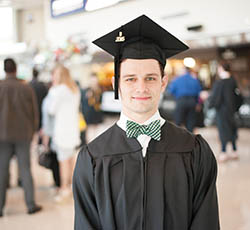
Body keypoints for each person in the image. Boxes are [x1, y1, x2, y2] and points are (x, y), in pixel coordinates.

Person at [73, 15, 220, 230]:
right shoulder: (93, 158)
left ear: (163, 83)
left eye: (150, 78)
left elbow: (206, 223)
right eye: (130, 78)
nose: (141, 88)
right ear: (117, 84)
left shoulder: (194, 151)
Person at [0, 58, 42, 216]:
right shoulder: (26, 88)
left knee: (1, 171)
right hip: (23, 135)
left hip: (2, 135)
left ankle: (0, 208)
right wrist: (33, 131)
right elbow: (34, 112)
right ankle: (30, 205)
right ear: (16, 69)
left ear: (4, 69)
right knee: (25, 169)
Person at [46, 64, 80, 201]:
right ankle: (72, 187)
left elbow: (51, 110)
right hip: (73, 129)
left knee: (63, 162)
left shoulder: (59, 90)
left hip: (62, 132)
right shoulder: (74, 89)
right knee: (71, 160)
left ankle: (64, 188)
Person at [209, 62, 240, 163]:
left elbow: (215, 98)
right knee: (232, 129)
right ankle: (234, 151)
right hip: (232, 110)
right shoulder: (233, 81)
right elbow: (238, 96)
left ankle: (223, 152)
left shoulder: (220, 83)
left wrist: (211, 104)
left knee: (223, 130)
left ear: (221, 68)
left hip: (222, 111)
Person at [168, 66, 202, 132]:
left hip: (181, 101)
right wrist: (198, 103)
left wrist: (177, 96)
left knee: (178, 121)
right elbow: (199, 93)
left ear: (182, 71)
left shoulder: (177, 80)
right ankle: (190, 138)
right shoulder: (195, 80)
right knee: (191, 121)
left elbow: (171, 91)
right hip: (192, 101)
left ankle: (177, 137)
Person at [81, 72, 103, 142]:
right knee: (89, 130)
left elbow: (100, 102)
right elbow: (83, 102)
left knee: (96, 130)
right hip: (88, 114)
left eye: (95, 80)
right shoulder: (86, 90)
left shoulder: (99, 90)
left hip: (97, 113)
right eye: (92, 80)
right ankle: (89, 145)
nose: (94, 82)